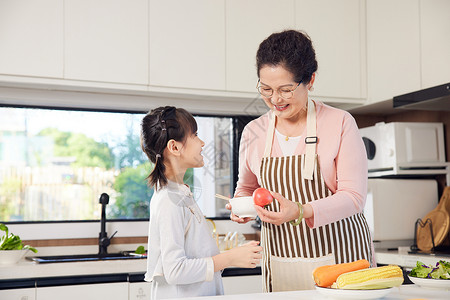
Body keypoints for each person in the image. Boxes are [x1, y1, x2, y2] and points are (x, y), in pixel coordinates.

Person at [227, 30, 375, 292]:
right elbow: (247, 188)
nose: (275, 100)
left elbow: (354, 197)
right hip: (282, 261)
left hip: (341, 263)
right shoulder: (253, 132)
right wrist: (242, 207)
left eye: (286, 89)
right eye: (266, 89)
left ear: (310, 80)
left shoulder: (340, 123)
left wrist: (299, 211)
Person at [141, 106, 262, 299]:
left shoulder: (180, 193)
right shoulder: (168, 201)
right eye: (195, 135)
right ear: (174, 147)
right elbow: (175, 270)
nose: (203, 142)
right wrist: (230, 258)